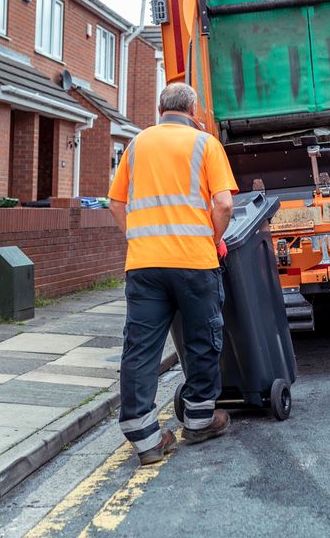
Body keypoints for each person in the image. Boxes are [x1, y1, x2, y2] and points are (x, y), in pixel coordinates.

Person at [108, 82, 238, 465]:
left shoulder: (137, 144)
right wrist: (211, 239)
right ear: (194, 110)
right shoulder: (205, 144)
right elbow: (225, 205)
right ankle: (198, 420)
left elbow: (116, 203)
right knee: (202, 338)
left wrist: (138, 238)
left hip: (145, 265)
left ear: (160, 109)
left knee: (141, 348)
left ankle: (144, 437)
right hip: (194, 262)